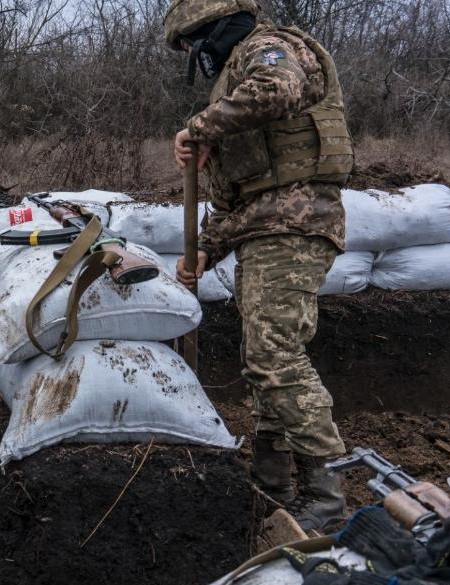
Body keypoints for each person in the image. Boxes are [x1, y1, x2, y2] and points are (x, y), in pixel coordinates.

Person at [164, 0, 355, 531]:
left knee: (275, 354)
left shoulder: (269, 50)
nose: (192, 56)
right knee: (262, 356)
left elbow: (280, 88)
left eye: (192, 45)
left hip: (294, 228)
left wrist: (199, 128)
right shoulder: (231, 78)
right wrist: (206, 247)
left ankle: (327, 494)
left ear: (213, 30)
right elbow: (245, 195)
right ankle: (273, 482)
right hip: (263, 230)